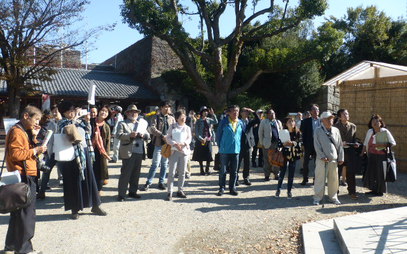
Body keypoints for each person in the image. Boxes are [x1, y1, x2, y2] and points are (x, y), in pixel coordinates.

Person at [3, 105, 46, 254]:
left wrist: (34, 136)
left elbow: (22, 151)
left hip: (22, 174)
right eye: (36, 119)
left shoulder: (21, 130)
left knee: (17, 212)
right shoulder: (17, 131)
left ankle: (11, 245)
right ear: (26, 116)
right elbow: (16, 154)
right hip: (24, 175)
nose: (37, 123)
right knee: (26, 213)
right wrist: (36, 150)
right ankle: (24, 249)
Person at [56, 101, 107, 219]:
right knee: (73, 181)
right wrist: (76, 119)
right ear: (64, 112)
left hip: (84, 153)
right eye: (69, 111)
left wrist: (87, 121)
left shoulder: (80, 122)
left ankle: (95, 204)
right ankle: (75, 209)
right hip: (70, 155)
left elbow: (88, 132)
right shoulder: (62, 123)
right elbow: (71, 134)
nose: (72, 113)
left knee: (90, 179)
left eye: (73, 110)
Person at [116, 105, 149, 201]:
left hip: (139, 151)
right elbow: (118, 135)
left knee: (136, 173)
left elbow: (148, 136)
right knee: (125, 174)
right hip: (128, 151)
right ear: (127, 113)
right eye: (131, 112)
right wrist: (129, 135)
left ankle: (133, 191)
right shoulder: (122, 123)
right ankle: (121, 194)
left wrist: (144, 136)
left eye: (135, 112)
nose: (133, 113)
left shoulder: (141, 124)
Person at [141, 101, 175, 191]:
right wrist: (161, 135)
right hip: (159, 143)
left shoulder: (172, 118)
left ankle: (161, 182)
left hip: (168, 144)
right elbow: (152, 128)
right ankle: (148, 182)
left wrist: (170, 138)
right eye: (165, 107)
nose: (167, 109)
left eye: (168, 107)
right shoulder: (155, 117)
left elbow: (175, 130)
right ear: (161, 108)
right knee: (155, 164)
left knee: (164, 164)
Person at [313, 111, 344, 205]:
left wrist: (341, 157)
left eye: (332, 118)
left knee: (334, 180)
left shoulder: (336, 130)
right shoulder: (318, 130)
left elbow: (340, 145)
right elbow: (316, 145)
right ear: (323, 120)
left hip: (333, 160)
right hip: (321, 160)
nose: (331, 120)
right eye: (328, 118)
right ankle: (317, 198)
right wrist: (322, 156)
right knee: (319, 179)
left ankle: (333, 197)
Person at [362, 115, 396, 196]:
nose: (375, 123)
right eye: (373, 121)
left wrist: (384, 144)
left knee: (380, 173)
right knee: (372, 172)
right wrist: (363, 152)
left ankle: (380, 191)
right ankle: (373, 189)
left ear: (381, 123)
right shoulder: (370, 131)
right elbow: (365, 143)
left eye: (377, 121)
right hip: (371, 155)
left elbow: (393, 142)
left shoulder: (384, 131)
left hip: (382, 155)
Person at [216, 105, 244, 196]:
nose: (236, 113)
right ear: (229, 112)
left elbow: (241, 136)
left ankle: (232, 188)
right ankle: (222, 188)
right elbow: (218, 135)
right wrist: (220, 147)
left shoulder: (240, 122)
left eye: (237, 111)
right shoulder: (224, 122)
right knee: (223, 170)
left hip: (236, 150)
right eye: (234, 111)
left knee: (234, 171)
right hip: (225, 150)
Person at [165, 110, 192, 201]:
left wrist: (184, 143)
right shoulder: (172, 126)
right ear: (177, 118)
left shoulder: (187, 128)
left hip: (184, 151)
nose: (184, 118)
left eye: (184, 116)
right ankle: (170, 191)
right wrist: (174, 143)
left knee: (182, 172)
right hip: (174, 151)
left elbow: (189, 138)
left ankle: (180, 190)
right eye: (182, 117)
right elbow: (168, 137)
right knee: (172, 172)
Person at [334, 109, 360, 199]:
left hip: (350, 152)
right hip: (339, 152)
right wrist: (340, 143)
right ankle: (334, 192)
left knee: (351, 173)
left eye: (347, 114)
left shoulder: (353, 126)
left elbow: (355, 138)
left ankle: (352, 191)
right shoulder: (335, 127)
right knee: (337, 173)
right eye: (344, 114)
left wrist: (356, 143)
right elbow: (333, 140)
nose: (346, 115)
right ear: (339, 117)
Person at [276, 117, 302, 198]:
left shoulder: (298, 133)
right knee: (282, 172)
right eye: (290, 121)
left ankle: (289, 190)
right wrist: (283, 144)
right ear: (286, 124)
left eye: (293, 121)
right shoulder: (282, 133)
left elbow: (301, 144)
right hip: (284, 154)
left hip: (293, 155)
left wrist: (293, 143)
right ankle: (278, 189)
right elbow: (278, 144)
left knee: (291, 173)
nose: (292, 123)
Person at [192, 106, 218, 175]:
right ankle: (201, 169)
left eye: (206, 111)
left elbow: (216, 121)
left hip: (208, 139)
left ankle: (207, 168)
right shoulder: (198, 121)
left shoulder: (209, 119)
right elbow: (196, 132)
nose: (205, 112)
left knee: (209, 154)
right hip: (201, 140)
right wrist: (201, 139)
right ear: (201, 112)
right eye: (204, 111)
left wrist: (213, 114)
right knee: (200, 155)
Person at [91, 105, 111, 192]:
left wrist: (106, 154)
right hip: (90, 149)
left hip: (100, 152)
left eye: (106, 112)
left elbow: (108, 142)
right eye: (102, 110)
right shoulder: (91, 122)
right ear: (98, 112)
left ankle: (98, 191)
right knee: (89, 170)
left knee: (99, 172)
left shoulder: (106, 126)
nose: (104, 113)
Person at [258, 109, 282, 181]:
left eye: (273, 113)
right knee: (267, 160)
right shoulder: (264, 122)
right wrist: (262, 142)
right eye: (271, 113)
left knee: (276, 159)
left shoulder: (278, 122)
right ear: (267, 115)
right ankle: (267, 175)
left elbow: (281, 131)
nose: (272, 115)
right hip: (267, 143)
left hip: (276, 143)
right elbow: (260, 132)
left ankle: (276, 174)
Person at [300, 104, 320, 185]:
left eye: (317, 110)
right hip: (308, 144)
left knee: (318, 163)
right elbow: (303, 133)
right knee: (306, 163)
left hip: (318, 145)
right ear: (311, 112)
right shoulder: (305, 121)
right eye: (314, 110)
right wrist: (303, 145)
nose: (316, 111)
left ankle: (316, 179)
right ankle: (305, 178)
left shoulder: (322, 121)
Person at [238, 107, 258, 186]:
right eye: (245, 112)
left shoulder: (249, 122)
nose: (246, 113)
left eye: (247, 112)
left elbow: (258, 120)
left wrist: (253, 112)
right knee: (238, 163)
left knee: (247, 163)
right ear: (241, 113)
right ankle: (235, 178)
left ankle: (246, 178)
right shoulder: (238, 121)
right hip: (239, 144)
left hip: (248, 144)